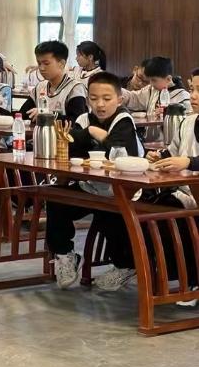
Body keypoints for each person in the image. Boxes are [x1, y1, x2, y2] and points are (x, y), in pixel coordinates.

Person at [47, 72, 144, 292]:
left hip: (124, 192)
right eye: (93, 98)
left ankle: (126, 266)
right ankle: (65, 255)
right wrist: (92, 132)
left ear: (119, 99)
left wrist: (94, 137)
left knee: (111, 214)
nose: (100, 104)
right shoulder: (84, 120)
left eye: (107, 98)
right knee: (56, 199)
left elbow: (119, 154)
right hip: (90, 187)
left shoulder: (123, 120)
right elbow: (68, 146)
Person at [146, 68, 199, 303]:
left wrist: (189, 162)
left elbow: (185, 159)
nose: (193, 96)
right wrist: (160, 156)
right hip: (188, 193)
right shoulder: (188, 122)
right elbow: (174, 151)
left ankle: (192, 282)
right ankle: (183, 279)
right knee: (156, 210)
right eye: (193, 89)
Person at [20, 41, 88, 122]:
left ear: (62, 63)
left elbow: (77, 121)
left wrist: (48, 115)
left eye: (46, 63)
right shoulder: (40, 87)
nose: (41, 68)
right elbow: (22, 114)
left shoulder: (75, 88)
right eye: (39, 63)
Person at [121, 56, 190, 114]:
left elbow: (189, 119)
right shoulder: (150, 90)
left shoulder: (183, 97)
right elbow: (133, 97)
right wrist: (118, 90)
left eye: (154, 80)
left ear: (168, 79)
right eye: (150, 80)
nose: (151, 83)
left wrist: (168, 113)